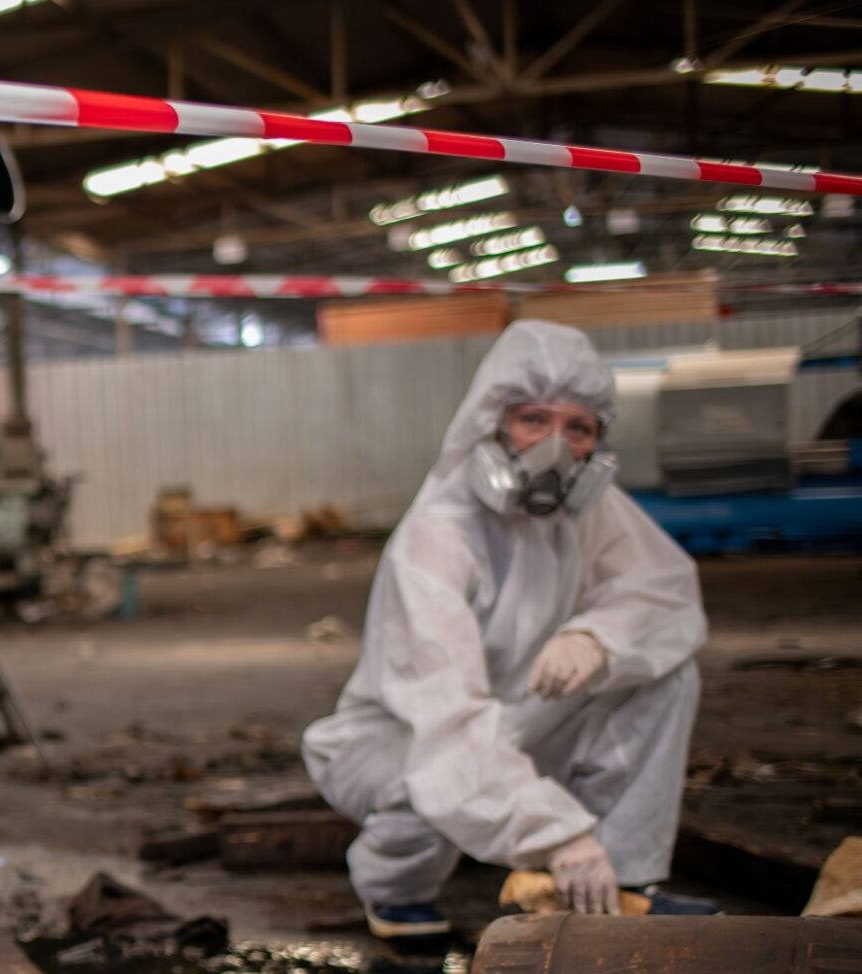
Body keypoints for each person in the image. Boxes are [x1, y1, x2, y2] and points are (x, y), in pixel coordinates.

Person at [302, 320, 708, 941]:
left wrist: (597, 638)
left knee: (664, 674)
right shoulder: (438, 535)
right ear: (492, 424)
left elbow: (662, 592)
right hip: (401, 735)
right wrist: (558, 834)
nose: (555, 447)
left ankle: (622, 880)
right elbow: (449, 721)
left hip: (515, 719)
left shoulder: (587, 512)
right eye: (534, 420)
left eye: (578, 428)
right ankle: (396, 892)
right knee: (430, 779)